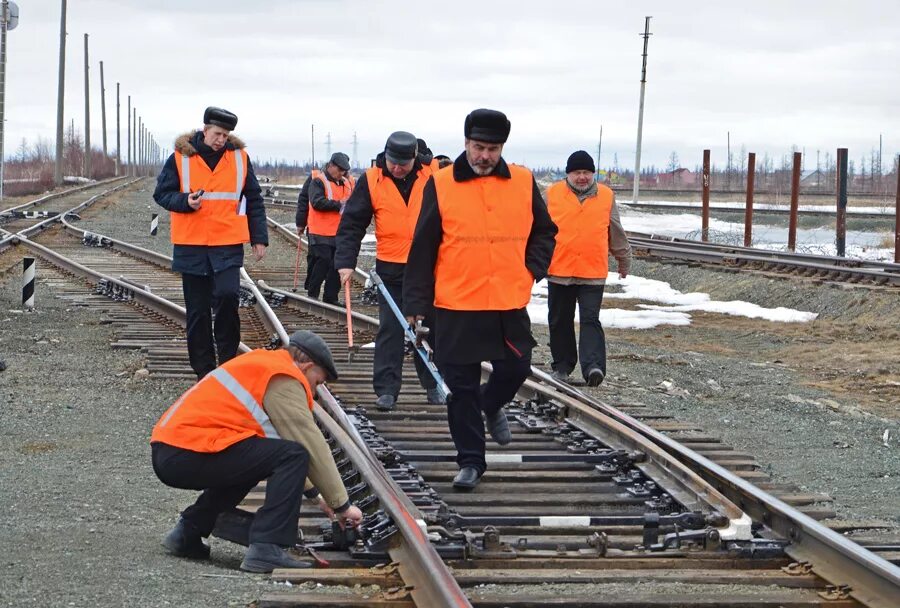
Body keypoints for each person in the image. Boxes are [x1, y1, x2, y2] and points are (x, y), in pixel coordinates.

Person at [403, 109, 557, 490]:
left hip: (507, 300)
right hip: (454, 305)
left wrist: (530, 271)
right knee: (460, 389)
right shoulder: (440, 184)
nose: (484, 155)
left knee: (517, 368)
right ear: (466, 143)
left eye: (492, 148)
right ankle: (471, 461)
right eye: (478, 147)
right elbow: (422, 248)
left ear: (502, 147)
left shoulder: (522, 180)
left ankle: (491, 405)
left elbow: (545, 231)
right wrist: (416, 307)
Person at [151, 330, 363, 573]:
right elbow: (310, 443)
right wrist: (342, 506)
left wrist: (318, 499)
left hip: (173, 451)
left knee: (260, 458)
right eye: (318, 382)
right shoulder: (283, 376)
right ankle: (267, 547)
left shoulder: (264, 365)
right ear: (306, 366)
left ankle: (188, 531)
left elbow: (270, 453)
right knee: (294, 454)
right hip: (188, 449)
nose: (314, 392)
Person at [153, 107, 268, 380]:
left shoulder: (239, 159)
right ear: (205, 130)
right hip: (191, 245)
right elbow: (162, 194)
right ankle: (204, 371)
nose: (221, 140)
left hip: (227, 243)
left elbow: (254, 198)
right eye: (217, 134)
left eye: (226, 135)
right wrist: (185, 201)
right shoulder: (180, 159)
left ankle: (228, 365)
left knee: (228, 298)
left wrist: (259, 238)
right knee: (198, 311)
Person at [335, 132, 443, 410]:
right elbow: (352, 223)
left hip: (429, 265)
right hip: (391, 267)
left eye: (403, 164)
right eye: (393, 162)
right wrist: (345, 262)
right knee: (390, 330)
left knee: (431, 328)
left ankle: (434, 384)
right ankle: (386, 390)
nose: (397, 168)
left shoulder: (435, 175)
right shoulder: (372, 180)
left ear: (415, 159)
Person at [546, 151, 632, 386]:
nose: (582, 177)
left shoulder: (606, 195)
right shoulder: (552, 194)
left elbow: (615, 229)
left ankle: (593, 367)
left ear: (593, 174)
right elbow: (539, 229)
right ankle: (562, 366)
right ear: (568, 174)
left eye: (586, 172)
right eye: (577, 173)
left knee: (590, 319)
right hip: (559, 269)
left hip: (592, 271)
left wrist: (624, 259)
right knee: (559, 320)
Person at [306, 152, 355, 305]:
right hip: (319, 231)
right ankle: (312, 294)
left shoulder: (347, 183)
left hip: (339, 232)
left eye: (343, 171)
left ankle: (331, 297)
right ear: (331, 165)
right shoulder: (318, 181)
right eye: (339, 170)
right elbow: (317, 202)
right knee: (323, 261)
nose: (341, 174)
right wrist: (339, 204)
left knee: (336, 265)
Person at [294, 176, 314, 291]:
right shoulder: (315, 177)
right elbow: (303, 200)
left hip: (339, 229)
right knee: (314, 257)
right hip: (316, 228)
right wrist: (301, 223)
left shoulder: (349, 181)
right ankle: (311, 285)